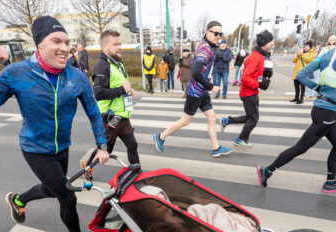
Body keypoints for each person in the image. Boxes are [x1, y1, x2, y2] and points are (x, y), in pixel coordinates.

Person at [0, 16, 110, 232]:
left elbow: (93, 112)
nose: (64, 48)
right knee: (67, 195)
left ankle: (18, 199)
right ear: (39, 45)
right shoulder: (17, 73)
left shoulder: (76, 77)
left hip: (62, 147)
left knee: (50, 188)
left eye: (67, 42)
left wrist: (102, 145)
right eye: (56, 40)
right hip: (35, 149)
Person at [257, 16, 336, 193]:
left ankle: (330, 182)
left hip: (325, 109)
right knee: (301, 147)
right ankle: (267, 171)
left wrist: (318, 87)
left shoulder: (328, 53)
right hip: (328, 112)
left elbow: (302, 75)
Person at [153, 21, 233, 158]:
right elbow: (195, 72)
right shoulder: (204, 49)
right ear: (207, 32)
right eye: (216, 33)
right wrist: (211, 87)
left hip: (202, 91)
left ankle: (216, 148)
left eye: (220, 33)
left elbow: (203, 70)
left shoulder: (209, 47)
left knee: (212, 118)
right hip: (195, 91)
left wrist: (208, 85)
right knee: (186, 120)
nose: (218, 36)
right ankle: (160, 137)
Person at [87, 30, 140, 169]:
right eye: (115, 44)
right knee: (106, 150)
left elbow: (121, 83)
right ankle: (87, 167)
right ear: (104, 47)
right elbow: (98, 93)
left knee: (132, 145)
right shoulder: (101, 66)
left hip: (122, 115)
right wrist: (123, 90)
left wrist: (129, 90)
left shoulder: (118, 63)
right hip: (110, 116)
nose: (119, 47)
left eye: (120, 44)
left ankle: (137, 174)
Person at [220, 30, 274, 147]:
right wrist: (259, 84)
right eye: (271, 42)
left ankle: (227, 121)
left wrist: (265, 74)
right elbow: (245, 78)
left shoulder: (258, 56)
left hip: (250, 92)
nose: (272, 44)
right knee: (254, 119)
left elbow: (253, 73)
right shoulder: (256, 57)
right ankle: (241, 139)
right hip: (249, 93)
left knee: (250, 117)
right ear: (265, 43)